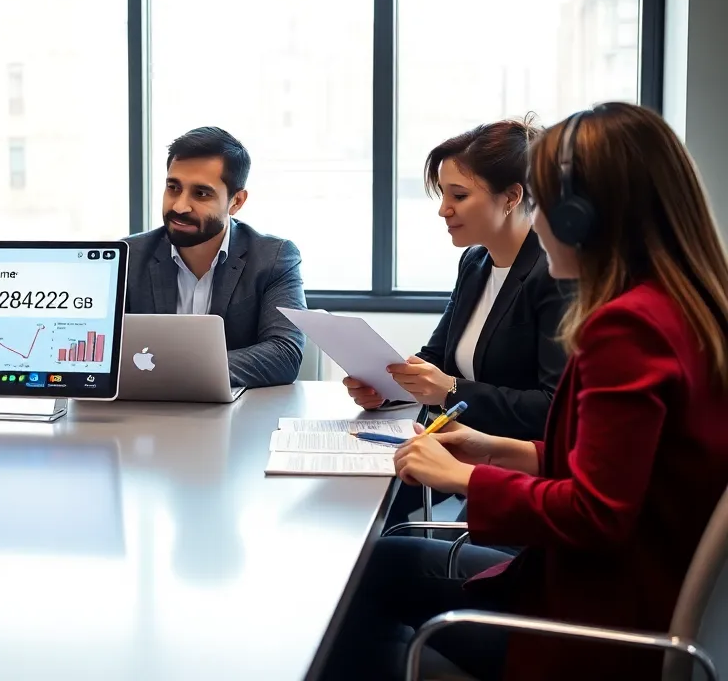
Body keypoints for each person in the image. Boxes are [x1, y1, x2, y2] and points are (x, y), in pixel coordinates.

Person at [323, 102, 728, 681]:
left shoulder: (628, 328)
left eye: (545, 205)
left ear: (582, 218)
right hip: (639, 593)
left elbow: (595, 513)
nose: (537, 223)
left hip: (598, 625)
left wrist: (463, 478)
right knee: (386, 560)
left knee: (368, 570)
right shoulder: (688, 307)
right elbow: (612, 467)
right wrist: (491, 449)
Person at [343, 118, 570, 523]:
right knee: (351, 503)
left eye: (459, 195)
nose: (444, 210)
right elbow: (437, 356)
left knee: (372, 519)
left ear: (512, 197)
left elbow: (553, 408)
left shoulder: (552, 274)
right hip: (465, 449)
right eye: (443, 195)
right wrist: (388, 387)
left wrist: (449, 389)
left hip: (516, 473)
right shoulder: (476, 261)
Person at [123, 126, 305, 388]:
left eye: (201, 194)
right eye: (173, 188)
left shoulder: (273, 258)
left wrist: (176, 372)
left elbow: (284, 354)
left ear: (236, 201)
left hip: (238, 418)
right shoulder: (129, 256)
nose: (180, 206)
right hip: (142, 415)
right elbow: (96, 351)